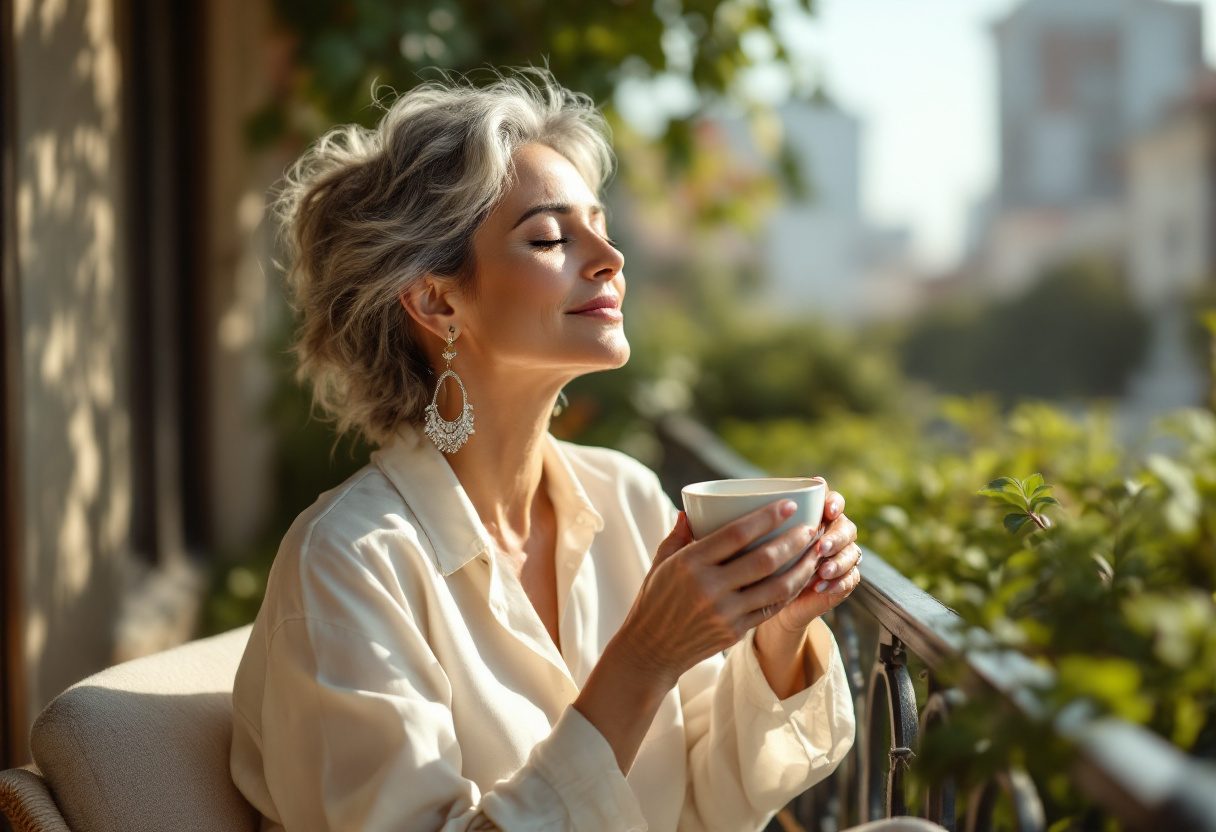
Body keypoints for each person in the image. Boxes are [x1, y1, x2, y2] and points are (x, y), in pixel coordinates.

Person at [229, 68, 900, 832]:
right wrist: (640, 662)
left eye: (602, 226)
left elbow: (708, 804)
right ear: (437, 301)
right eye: (550, 237)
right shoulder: (350, 564)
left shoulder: (628, 497)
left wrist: (778, 628)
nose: (610, 258)